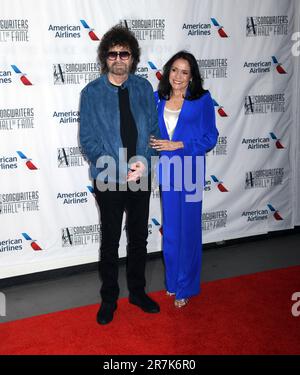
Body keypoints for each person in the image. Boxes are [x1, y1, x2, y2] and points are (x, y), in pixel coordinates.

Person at [79, 25, 160, 325]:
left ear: (132, 57)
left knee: (138, 238)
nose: (118, 58)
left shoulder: (143, 89)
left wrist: (146, 163)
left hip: (141, 174)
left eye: (124, 53)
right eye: (112, 53)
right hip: (108, 178)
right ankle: (109, 299)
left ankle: (137, 293)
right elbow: (88, 140)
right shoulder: (91, 93)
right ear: (105, 58)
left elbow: (153, 133)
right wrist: (116, 166)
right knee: (110, 240)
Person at [150, 51, 218, 308]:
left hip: (190, 171)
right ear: (168, 72)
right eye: (175, 70)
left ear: (192, 76)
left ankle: (186, 286)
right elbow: (151, 132)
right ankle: (172, 283)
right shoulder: (157, 99)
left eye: (184, 72)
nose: (178, 76)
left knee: (188, 230)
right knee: (171, 231)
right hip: (167, 172)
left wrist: (179, 144)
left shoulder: (202, 100)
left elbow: (210, 137)